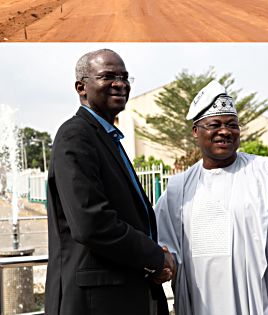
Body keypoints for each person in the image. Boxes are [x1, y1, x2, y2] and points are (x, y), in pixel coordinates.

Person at [155, 82, 268, 315]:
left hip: (261, 304)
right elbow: (165, 251)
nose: (225, 131)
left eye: (232, 125)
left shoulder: (267, 175)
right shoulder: (178, 189)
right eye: (215, 124)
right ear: (196, 131)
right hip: (200, 306)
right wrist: (164, 265)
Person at [45, 49, 174, 315]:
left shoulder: (108, 138)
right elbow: (92, 222)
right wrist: (154, 257)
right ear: (82, 87)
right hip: (96, 301)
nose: (120, 83)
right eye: (108, 76)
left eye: (125, 77)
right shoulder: (76, 135)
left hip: (123, 294)